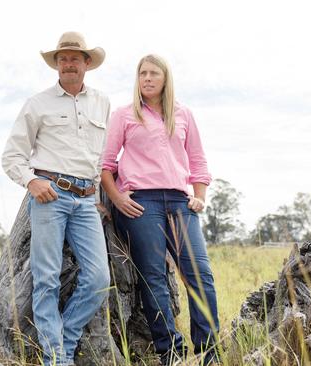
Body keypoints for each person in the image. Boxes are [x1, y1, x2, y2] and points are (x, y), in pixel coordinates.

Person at [100, 54, 220, 364]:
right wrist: (117, 198)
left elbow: (198, 160)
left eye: (154, 73)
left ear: (166, 79)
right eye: (143, 73)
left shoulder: (183, 114)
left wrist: (200, 196)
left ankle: (209, 352)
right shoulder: (125, 115)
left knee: (199, 274)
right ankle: (170, 352)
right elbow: (106, 164)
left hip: (181, 202)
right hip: (142, 203)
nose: (148, 78)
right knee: (153, 277)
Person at [1, 31, 111, 366]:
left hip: (87, 201)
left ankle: (65, 337)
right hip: (50, 195)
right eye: (62, 59)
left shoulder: (102, 103)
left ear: (86, 63)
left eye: (74, 58)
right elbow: (12, 157)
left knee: (99, 278)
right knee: (46, 280)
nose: (68, 64)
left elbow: (100, 155)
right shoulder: (38, 103)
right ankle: (56, 359)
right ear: (56, 64)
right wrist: (31, 182)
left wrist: (99, 194)